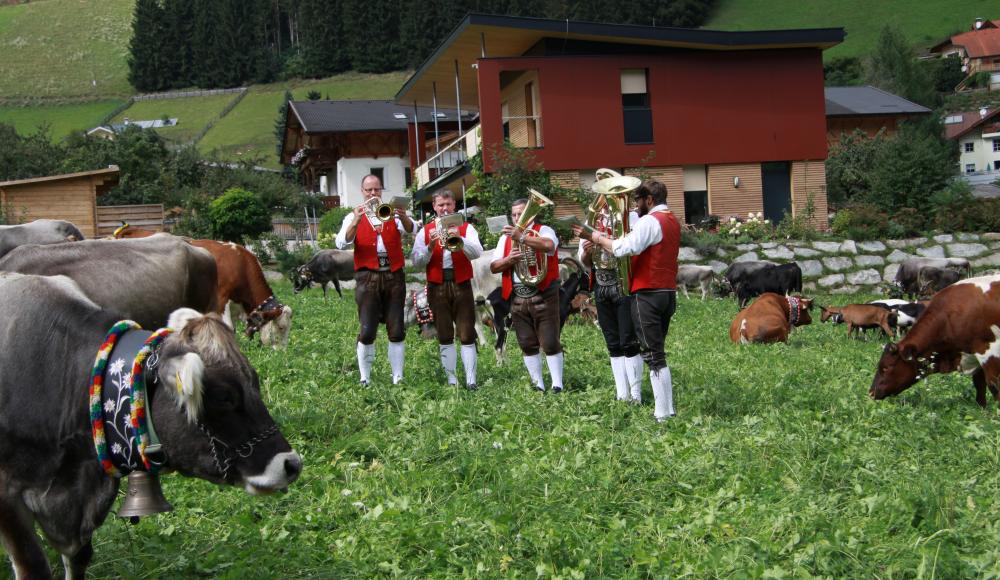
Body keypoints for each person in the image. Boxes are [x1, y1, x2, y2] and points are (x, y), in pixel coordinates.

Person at [574, 180, 680, 421]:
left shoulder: (649, 221)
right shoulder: (671, 219)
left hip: (648, 293)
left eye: (639, 200)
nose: (636, 205)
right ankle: (667, 409)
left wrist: (597, 238)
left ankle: (662, 413)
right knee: (655, 352)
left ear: (649, 200)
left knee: (653, 355)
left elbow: (626, 247)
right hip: (666, 291)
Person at [336, 174, 417, 386]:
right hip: (367, 277)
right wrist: (356, 219)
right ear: (362, 192)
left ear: (381, 191)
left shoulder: (392, 213)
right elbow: (342, 243)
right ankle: (365, 378)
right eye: (368, 190)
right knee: (367, 329)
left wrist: (404, 216)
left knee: (397, 328)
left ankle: (398, 378)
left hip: (393, 276)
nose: (373, 194)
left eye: (376, 190)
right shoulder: (352, 216)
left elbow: (412, 230)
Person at [411, 191, 484, 390]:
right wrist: (430, 246)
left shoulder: (466, 227)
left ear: (454, 205)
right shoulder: (425, 231)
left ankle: (471, 380)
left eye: (449, 204)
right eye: (441, 205)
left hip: (461, 283)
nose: (445, 208)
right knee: (444, 333)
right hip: (437, 286)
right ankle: (452, 380)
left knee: (467, 332)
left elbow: (477, 252)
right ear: (434, 207)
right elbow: (416, 262)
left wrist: (460, 238)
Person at [489, 197, 564, 392]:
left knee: (549, 341)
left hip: (543, 294)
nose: (516, 218)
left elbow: (549, 246)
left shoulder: (544, 230)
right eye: (513, 215)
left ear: (531, 214)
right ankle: (538, 384)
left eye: (520, 213)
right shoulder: (504, 238)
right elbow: (494, 266)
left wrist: (522, 237)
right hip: (517, 295)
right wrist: (509, 260)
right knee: (526, 342)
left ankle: (558, 385)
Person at [577, 199, 644, 403]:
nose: (605, 203)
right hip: (601, 284)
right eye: (602, 197)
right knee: (613, 343)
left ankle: (636, 395)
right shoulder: (591, 220)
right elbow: (585, 262)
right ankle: (622, 394)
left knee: (629, 341)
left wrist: (603, 240)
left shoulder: (632, 218)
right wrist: (588, 251)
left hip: (624, 283)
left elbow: (636, 250)